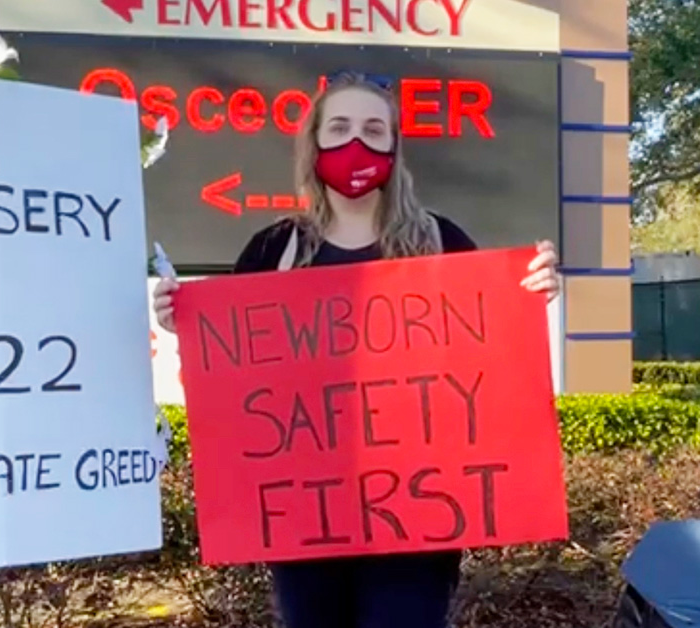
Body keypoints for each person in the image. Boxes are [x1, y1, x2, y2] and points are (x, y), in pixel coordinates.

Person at [151, 71, 561, 628]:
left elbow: (491, 350)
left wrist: (531, 291)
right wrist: (185, 325)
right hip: (304, 525)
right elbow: (234, 372)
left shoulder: (442, 242)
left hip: (419, 520)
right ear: (314, 143)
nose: (356, 144)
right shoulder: (274, 249)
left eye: (374, 130)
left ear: (395, 147)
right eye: (339, 128)